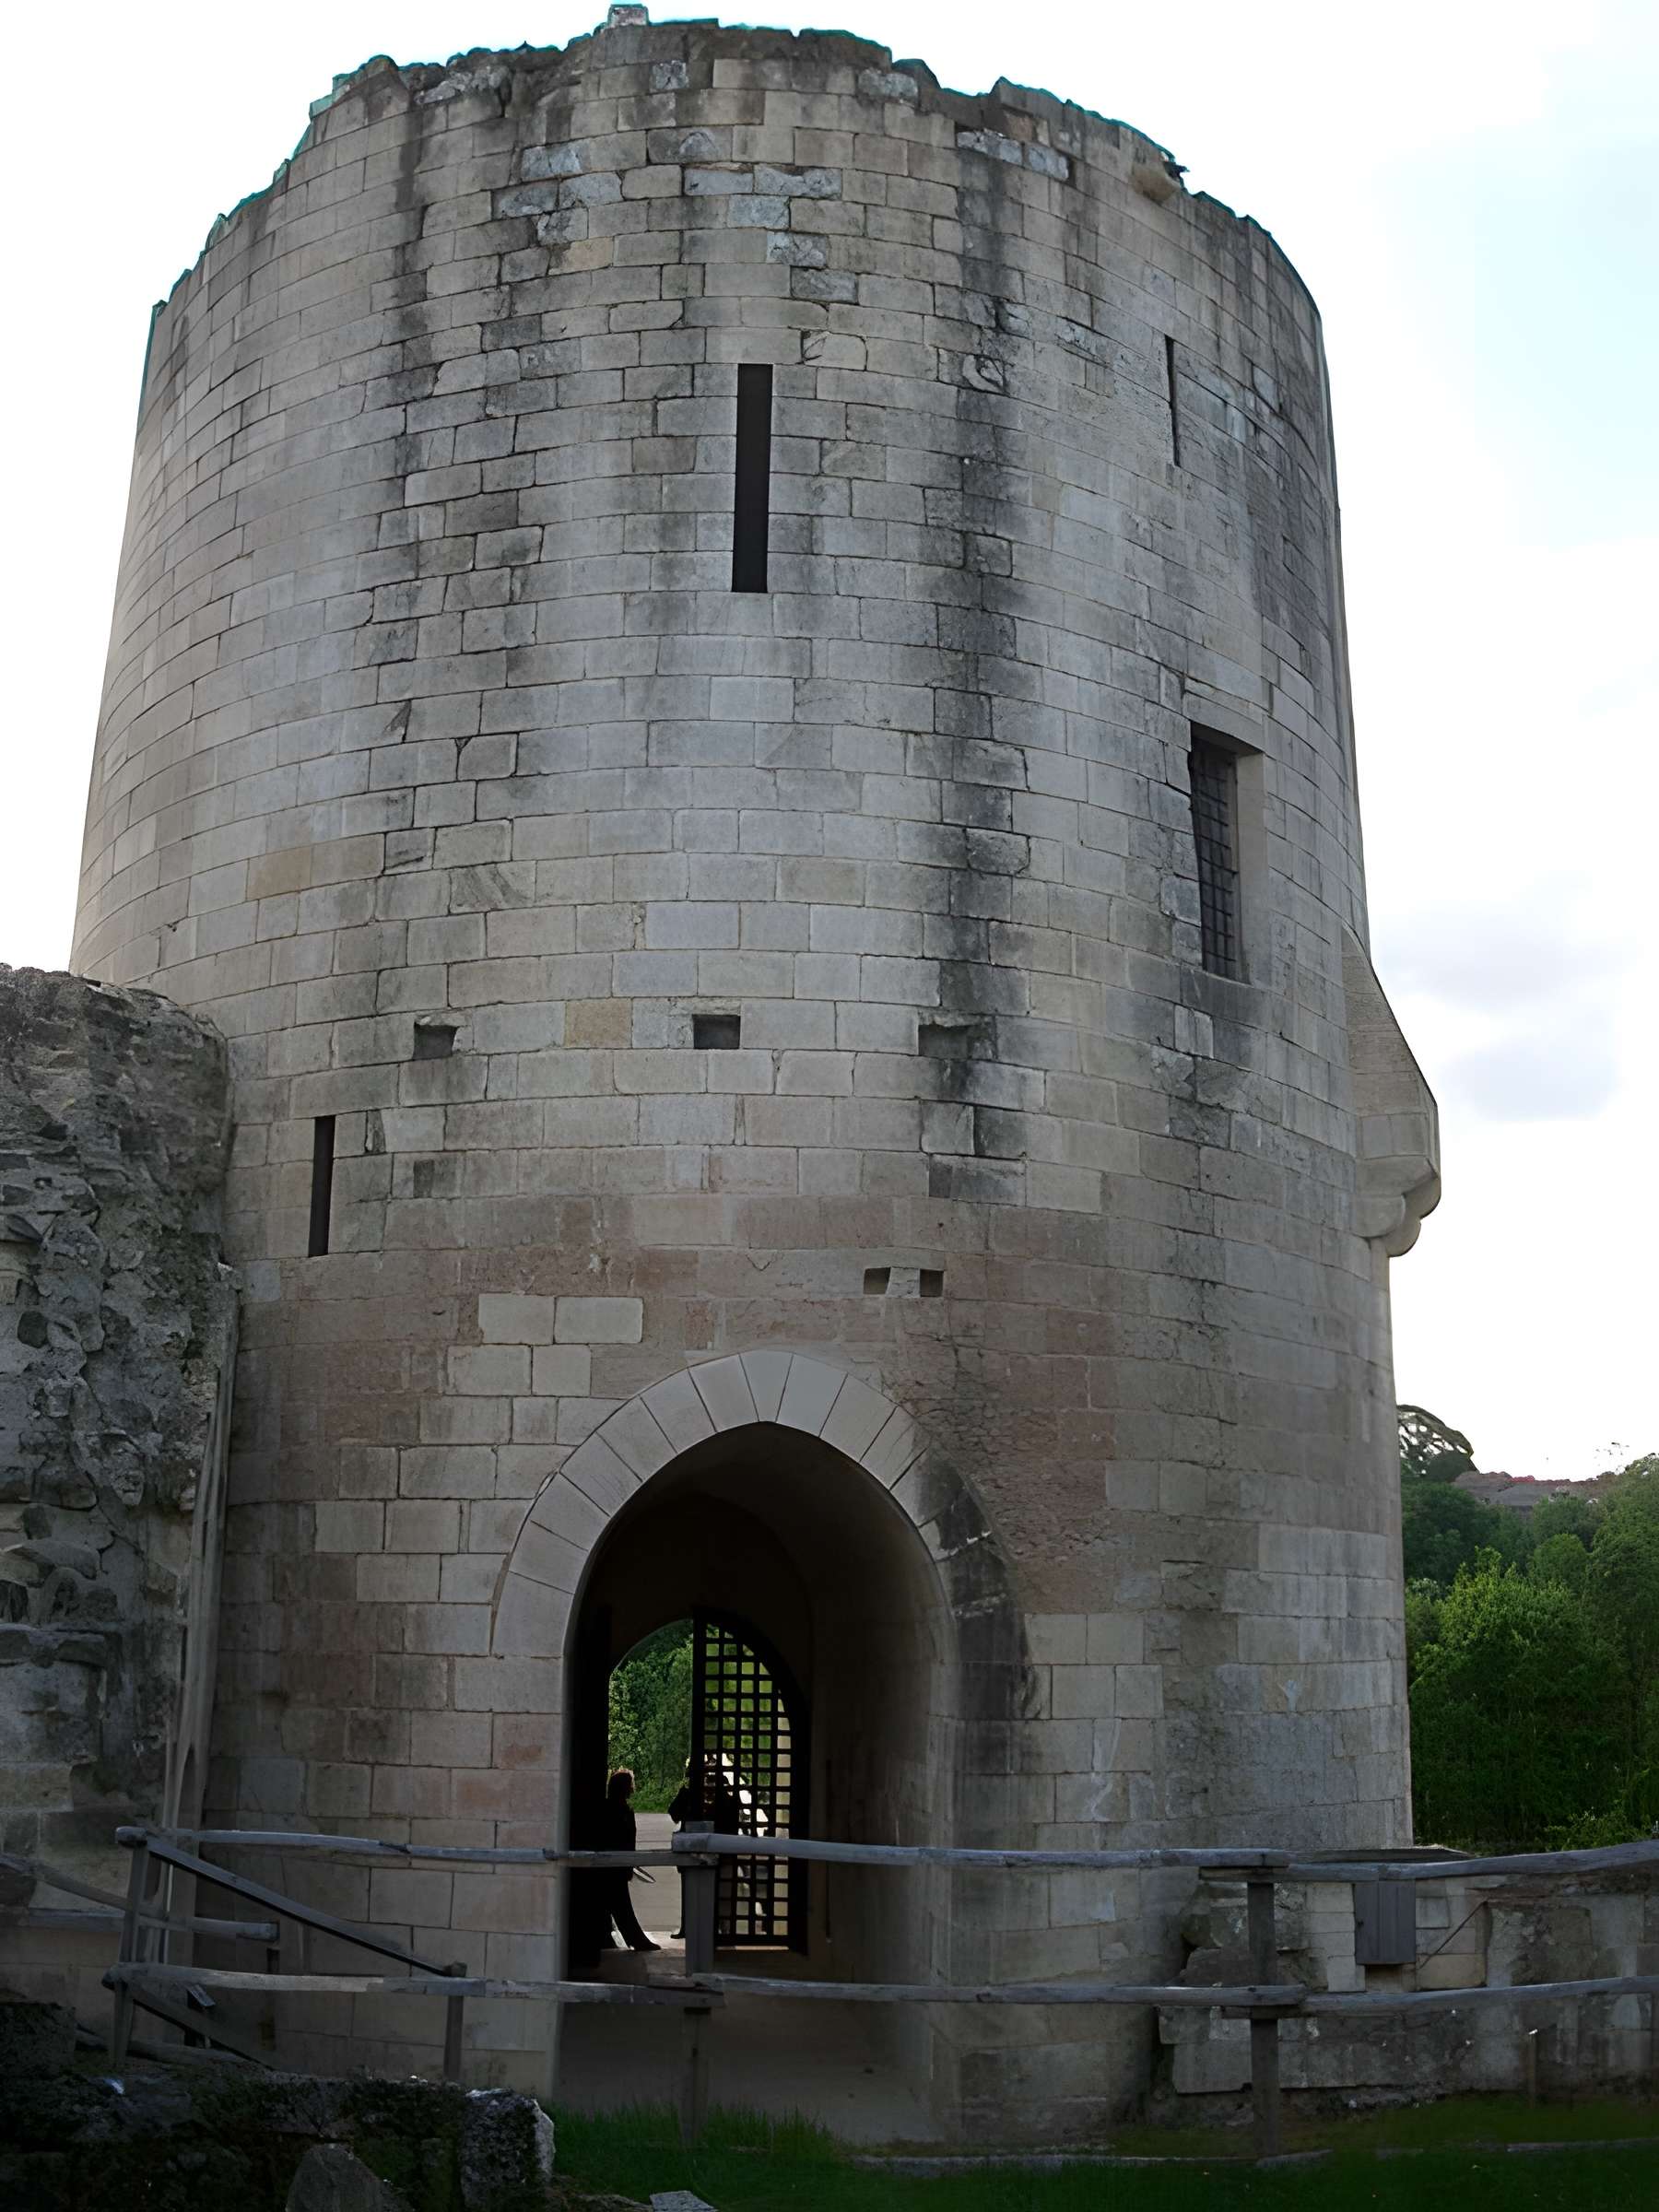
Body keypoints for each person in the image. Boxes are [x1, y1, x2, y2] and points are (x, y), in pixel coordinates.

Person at [598, 1767, 660, 1952]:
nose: (632, 1788)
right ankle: (635, 1940)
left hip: (611, 1863)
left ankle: (614, 1937)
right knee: (621, 1904)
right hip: (617, 1863)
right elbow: (626, 1840)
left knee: (612, 1903)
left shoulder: (608, 1808)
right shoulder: (622, 1811)